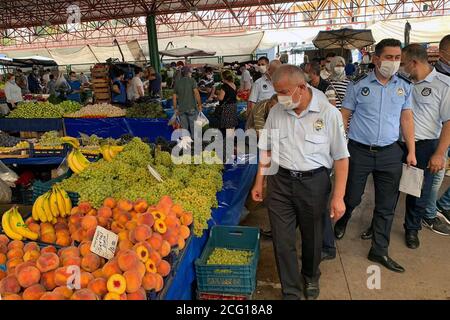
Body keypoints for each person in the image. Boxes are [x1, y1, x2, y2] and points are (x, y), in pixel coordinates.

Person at [252, 64, 349, 300]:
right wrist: (259, 183)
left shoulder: (328, 113)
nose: (279, 98)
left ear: (302, 87)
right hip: (280, 183)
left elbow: (341, 157)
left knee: (313, 237)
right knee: (282, 241)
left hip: (314, 183)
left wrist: (338, 197)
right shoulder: (276, 112)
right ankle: (291, 291)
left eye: (284, 92)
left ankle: (311, 275)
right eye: (277, 92)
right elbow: (266, 149)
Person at [334, 38, 416, 273]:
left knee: (386, 205)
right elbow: (344, 115)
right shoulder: (358, 84)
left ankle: (379, 250)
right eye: (389, 57)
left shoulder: (403, 85)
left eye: (397, 57)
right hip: (359, 151)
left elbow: (407, 118)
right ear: (376, 59)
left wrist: (411, 151)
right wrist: (340, 146)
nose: (393, 62)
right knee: (351, 197)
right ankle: (343, 218)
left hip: (390, 153)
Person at [400, 44, 450, 240]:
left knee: (418, 192)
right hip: (397, 144)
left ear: (413, 63)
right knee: (389, 189)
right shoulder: (402, 81)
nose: (399, 67)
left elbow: (448, 122)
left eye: (403, 63)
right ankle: (378, 226)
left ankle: (412, 229)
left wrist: (439, 153)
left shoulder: (443, 85)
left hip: (424, 146)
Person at [173, 66, 203, 137]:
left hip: (181, 110)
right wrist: (200, 105)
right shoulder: (192, 80)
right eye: (191, 72)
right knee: (194, 129)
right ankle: (195, 146)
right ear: (188, 73)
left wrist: (175, 109)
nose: (191, 74)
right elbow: (196, 93)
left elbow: (174, 97)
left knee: (184, 130)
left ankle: (186, 146)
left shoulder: (177, 83)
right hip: (192, 108)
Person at [217, 70, 238, 137]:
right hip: (233, 106)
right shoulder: (233, 84)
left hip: (227, 107)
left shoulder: (224, 86)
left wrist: (216, 96)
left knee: (228, 125)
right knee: (232, 124)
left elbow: (221, 98)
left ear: (224, 77)